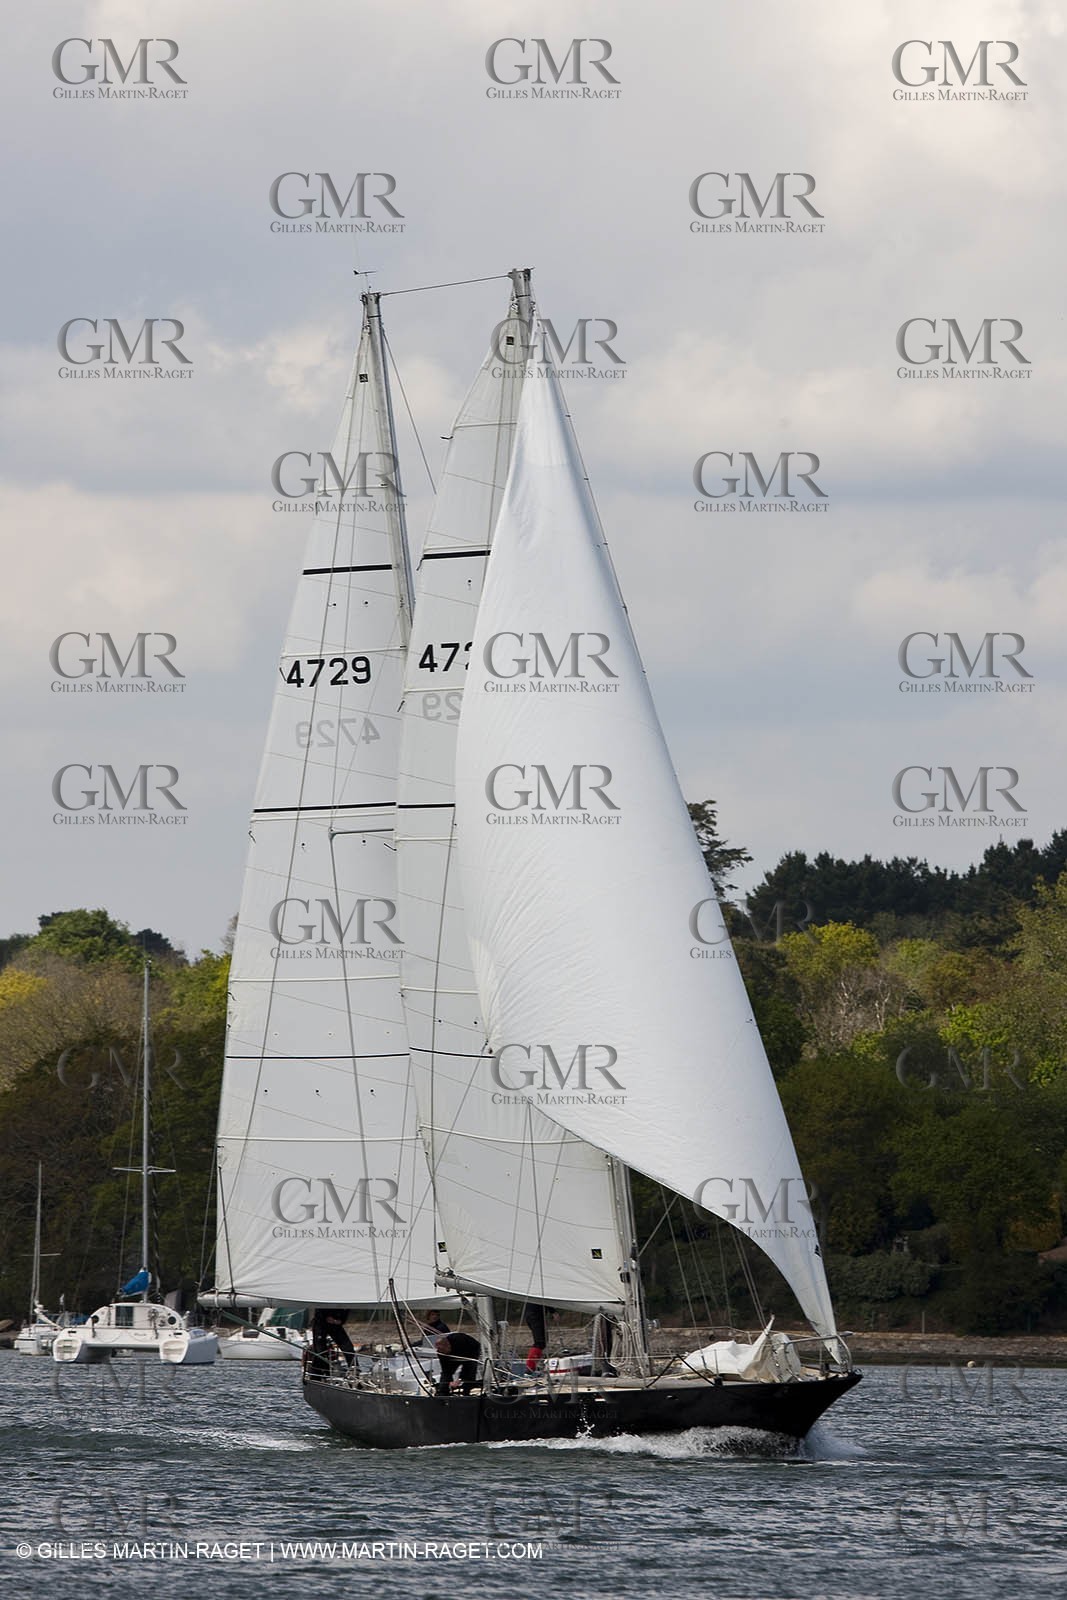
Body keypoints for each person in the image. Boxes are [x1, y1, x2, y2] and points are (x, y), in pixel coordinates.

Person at [310, 1307, 355, 1374]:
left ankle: (354, 1370)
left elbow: (347, 1308)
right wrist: (326, 1317)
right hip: (320, 1323)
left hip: (336, 1323)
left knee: (348, 1348)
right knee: (320, 1351)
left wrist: (341, 1320)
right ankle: (319, 1372)